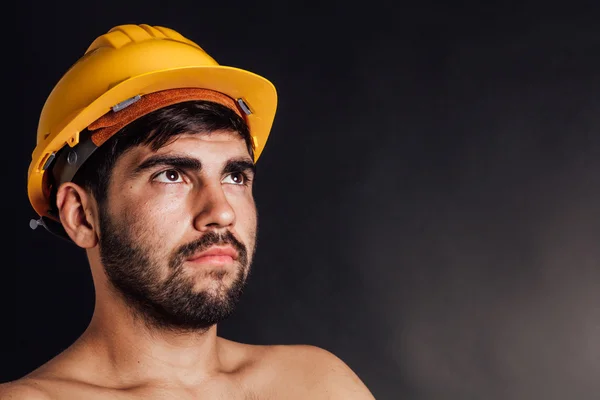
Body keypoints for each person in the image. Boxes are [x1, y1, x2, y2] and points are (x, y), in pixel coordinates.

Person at [2, 24, 375, 399]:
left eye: (234, 176)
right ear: (81, 215)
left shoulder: (314, 383)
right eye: (172, 174)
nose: (221, 213)